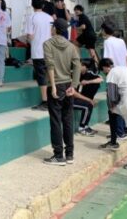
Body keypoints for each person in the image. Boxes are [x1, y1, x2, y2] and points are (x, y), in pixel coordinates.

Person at [43, 18, 81, 165]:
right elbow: (77, 66)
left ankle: (58, 155)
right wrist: (74, 85)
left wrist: (52, 86)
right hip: (68, 85)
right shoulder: (71, 46)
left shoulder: (47, 44)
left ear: (55, 29)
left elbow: (50, 65)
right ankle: (69, 154)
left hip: (55, 85)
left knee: (55, 121)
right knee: (67, 119)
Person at [27, 0, 54, 111]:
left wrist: (29, 40)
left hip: (38, 51)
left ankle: (45, 101)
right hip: (50, 51)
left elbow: (30, 36)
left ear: (32, 5)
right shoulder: (50, 18)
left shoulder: (31, 17)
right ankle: (53, 98)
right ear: (43, 5)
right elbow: (53, 33)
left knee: (41, 76)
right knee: (50, 75)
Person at [75, 59, 103, 136]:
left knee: (89, 104)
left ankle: (85, 126)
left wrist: (87, 82)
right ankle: (81, 128)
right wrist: (89, 100)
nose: (78, 66)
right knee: (87, 106)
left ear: (85, 67)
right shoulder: (75, 74)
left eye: (81, 65)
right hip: (68, 100)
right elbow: (74, 93)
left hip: (77, 97)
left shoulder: (88, 74)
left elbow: (100, 79)